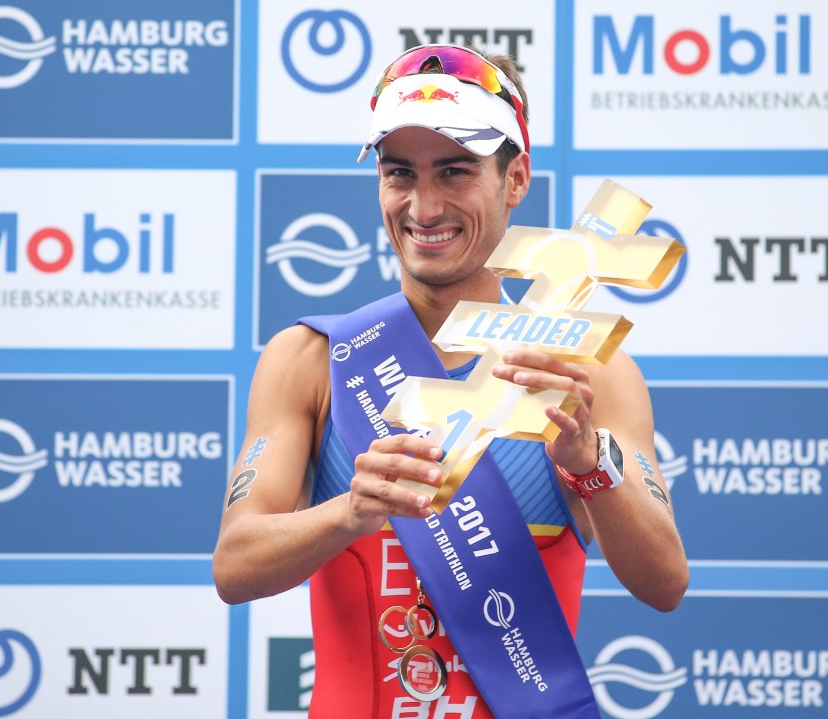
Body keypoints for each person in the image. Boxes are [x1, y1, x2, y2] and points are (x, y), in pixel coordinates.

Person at [213, 44, 688, 718]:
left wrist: (590, 468)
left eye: (455, 172)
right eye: (399, 172)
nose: (423, 205)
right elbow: (234, 565)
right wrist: (350, 511)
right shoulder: (311, 357)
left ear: (516, 178)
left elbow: (665, 581)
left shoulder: (588, 368)